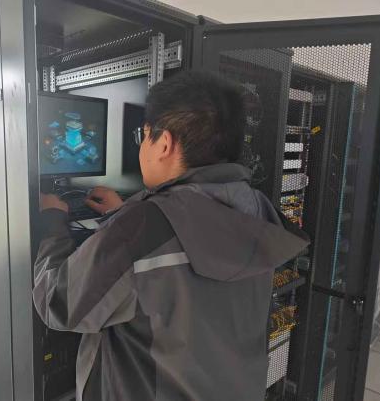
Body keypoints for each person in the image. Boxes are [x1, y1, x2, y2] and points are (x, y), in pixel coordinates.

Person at [33, 71, 309, 401]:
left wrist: (53, 222)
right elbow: (186, 243)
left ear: (164, 143)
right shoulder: (256, 210)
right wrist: (124, 215)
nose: (142, 147)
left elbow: (58, 304)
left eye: (143, 136)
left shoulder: (141, 229)